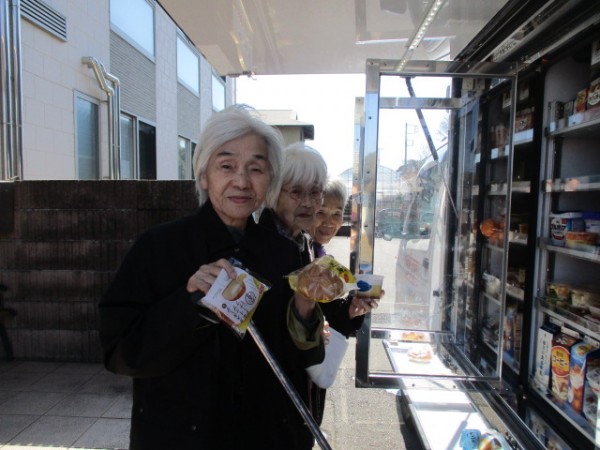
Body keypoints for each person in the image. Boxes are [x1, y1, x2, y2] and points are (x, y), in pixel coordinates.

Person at [98, 106, 325, 450]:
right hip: (180, 438)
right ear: (204, 176)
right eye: (226, 166)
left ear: (269, 180)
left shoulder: (283, 253)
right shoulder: (158, 247)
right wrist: (190, 303)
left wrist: (305, 312)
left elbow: (294, 363)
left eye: (256, 169)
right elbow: (119, 353)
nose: (242, 181)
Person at [258, 142, 378, 425]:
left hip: (302, 397)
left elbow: (319, 313)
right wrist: (309, 322)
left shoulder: (303, 244)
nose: (309, 203)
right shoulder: (258, 250)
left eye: (315, 193)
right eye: (296, 192)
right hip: (271, 406)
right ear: (273, 193)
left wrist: (349, 311)